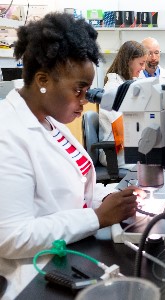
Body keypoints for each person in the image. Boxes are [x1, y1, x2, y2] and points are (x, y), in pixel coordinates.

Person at [0, 12, 146, 300]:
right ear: (42, 80)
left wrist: (108, 199)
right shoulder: (8, 134)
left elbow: (69, 192)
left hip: (69, 253)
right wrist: (97, 217)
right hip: (32, 277)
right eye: (78, 91)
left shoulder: (49, 121)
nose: (85, 101)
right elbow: (11, 238)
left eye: (87, 91)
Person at [99, 40, 148, 169]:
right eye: (141, 63)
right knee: (155, 160)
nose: (143, 68)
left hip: (129, 145)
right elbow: (124, 128)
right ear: (129, 61)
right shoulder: (112, 88)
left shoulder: (128, 83)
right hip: (115, 153)